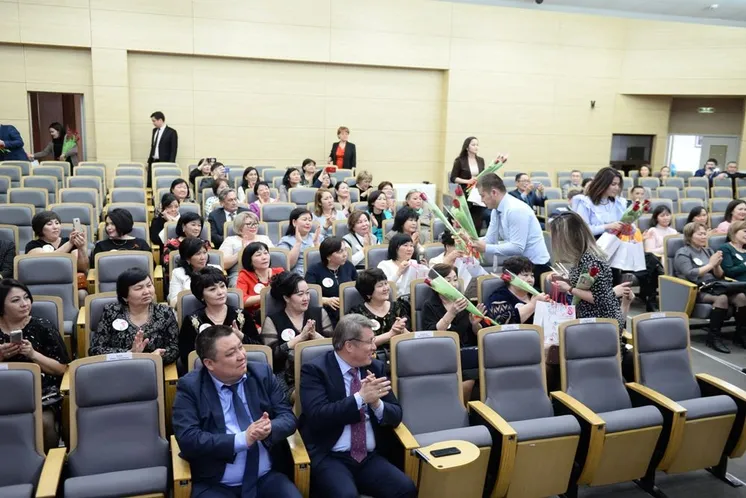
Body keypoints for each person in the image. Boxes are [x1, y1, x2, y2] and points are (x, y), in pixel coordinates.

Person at [172, 325, 301, 498]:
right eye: (230, 353)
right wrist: (242, 439)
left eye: (240, 347)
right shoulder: (190, 387)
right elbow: (188, 438)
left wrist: (269, 428)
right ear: (209, 363)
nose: (241, 356)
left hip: (266, 477)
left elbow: (288, 418)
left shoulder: (261, 373)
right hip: (216, 483)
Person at [298, 314, 417, 498]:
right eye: (369, 341)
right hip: (330, 455)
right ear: (349, 346)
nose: (374, 347)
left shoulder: (375, 368)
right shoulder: (315, 370)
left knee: (405, 488)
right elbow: (318, 415)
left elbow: (396, 414)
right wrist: (360, 398)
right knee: (346, 495)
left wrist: (376, 403)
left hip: (369, 456)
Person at [0, 279, 68, 451]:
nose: (25, 304)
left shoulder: (42, 326)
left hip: (40, 392)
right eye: (16, 300)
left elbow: (62, 368)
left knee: (44, 422)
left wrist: (33, 355)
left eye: (26, 297)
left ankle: (48, 463)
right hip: (4, 390)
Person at [549, 212, 630, 335]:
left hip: (600, 323)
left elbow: (600, 299)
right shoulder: (582, 257)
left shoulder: (591, 261)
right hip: (590, 319)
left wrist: (569, 289)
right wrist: (565, 279)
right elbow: (586, 285)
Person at [468, 173, 551, 287]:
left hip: (535, 269)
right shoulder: (496, 210)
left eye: (482, 196)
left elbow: (517, 247)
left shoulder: (515, 209)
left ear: (494, 192)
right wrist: (471, 241)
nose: (482, 200)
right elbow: (490, 239)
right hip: (520, 266)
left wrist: (485, 248)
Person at [674, 222, 746, 353]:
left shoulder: (708, 251)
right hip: (694, 288)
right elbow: (690, 274)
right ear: (690, 236)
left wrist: (717, 265)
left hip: (713, 285)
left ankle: (740, 334)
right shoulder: (683, 252)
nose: (704, 236)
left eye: (705, 233)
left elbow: (719, 275)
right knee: (722, 298)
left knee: (741, 297)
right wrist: (711, 264)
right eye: (700, 234)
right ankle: (713, 337)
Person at [261, 272, 332, 399]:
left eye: (308, 293)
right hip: (288, 378)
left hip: (322, 372)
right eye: (300, 294)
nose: (306, 298)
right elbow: (271, 357)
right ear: (286, 298)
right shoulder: (273, 320)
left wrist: (315, 336)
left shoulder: (319, 313)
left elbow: (334, 347)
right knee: (306, 396)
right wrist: (300, 338)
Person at [178, 267, 260, 373]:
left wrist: (241, 336)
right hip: (207, 372)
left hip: (241, 370)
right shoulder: (193, 320)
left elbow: (259, 349)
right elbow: (186, 358)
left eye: (222, 286)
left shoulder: (241, 315)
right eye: (212, 289)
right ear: (201, 295)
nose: (220, 292)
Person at [89, 267, 179, 363]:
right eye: (139, 288)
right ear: (125, 296)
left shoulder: (165, 312)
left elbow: (174, 348)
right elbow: (96, 349)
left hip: (153, 368)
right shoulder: (111, 312)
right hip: (118, 367)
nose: (147, 291)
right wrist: (129, 354)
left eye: (149, 285)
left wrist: (155, 357)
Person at [423, 264, 486, 401]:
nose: (453, 284)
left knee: (475, 374)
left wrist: (475, 324)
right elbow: (433, 335)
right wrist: (451, 312)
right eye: (448, 280)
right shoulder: (429, 305)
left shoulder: (464, 302)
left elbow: (476, 335)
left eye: (455, 279)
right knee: (466, 380)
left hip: (465, 352)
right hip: (441, 352)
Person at [350, 269, 410, 356]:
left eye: (386, 283)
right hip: (370, 357)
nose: (386, 288)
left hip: (401, 354)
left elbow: (411, 338)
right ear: (368, 293)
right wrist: (391, 334)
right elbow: (360, 344)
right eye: (380, 286)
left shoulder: (399, 307)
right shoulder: (357, 313)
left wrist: (402, 329)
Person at [305, 237, 358, 327]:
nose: (345, 254)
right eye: (340, 252)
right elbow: (308, 294)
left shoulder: (349, 266)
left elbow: (357, 287)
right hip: (325, 311)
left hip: (348, 310)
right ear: (328, 256)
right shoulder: (314, 270)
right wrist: (325, 300)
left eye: (345, 250)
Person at [485, 256, 550, 325]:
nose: (530, 280)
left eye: (532, 275)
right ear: (511, 277)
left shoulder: (537, 293)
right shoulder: (498, 297)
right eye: (525, 275)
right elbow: (503, 323)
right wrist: (532, 305)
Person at [220, 212, 273, 287]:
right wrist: (242, 251)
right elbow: (224, 264)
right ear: (240, 227)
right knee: (237, 285)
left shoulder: (264, 238)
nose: (253, 226)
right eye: (249, 224)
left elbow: (274, 258)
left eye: (255, 223)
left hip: (264, 273)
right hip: (239, 274)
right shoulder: (230, 240)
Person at [26, 211, 88, 275]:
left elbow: (82, 268)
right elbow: (48, 261)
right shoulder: (33, 245)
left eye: (57, 223)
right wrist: (70, 243)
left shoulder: (70, 241)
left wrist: (81, 248)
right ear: (39, 228)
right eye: (49, 224)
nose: (55, 227)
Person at [168, 237, 222, 307]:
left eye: (204, 252)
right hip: (189, 308)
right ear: (187, 258)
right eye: (198, 254)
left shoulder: (216, 269)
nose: (203, 257)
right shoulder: (178, 273)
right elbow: (173, 302)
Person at [236, 242, 285, 319]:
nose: (264, 257)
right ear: (250, 260)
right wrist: (267, 295)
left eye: (266, 253)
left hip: (279, 314)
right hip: (255, 318)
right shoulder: (245, 275)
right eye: (258, 255)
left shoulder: (279, 272)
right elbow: (242, 301)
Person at [641, 205, 676, 311]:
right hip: (655, 261)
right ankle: (652, 299)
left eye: (667, 215)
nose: (665, 218)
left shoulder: (673, 232)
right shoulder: (653, 231)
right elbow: (649, 251)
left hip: (670, 260)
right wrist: (666, 247)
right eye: (662, 215)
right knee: (655, 261)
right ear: (656, 218)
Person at [573, 166, 626, 237]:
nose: (617, 188)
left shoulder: (619, 202)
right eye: (613, 184)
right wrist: (607, 226)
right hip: (593, 241)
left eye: (618, 184)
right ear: (602, 184)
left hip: (616, 240)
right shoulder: (585, 203)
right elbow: (582, 230)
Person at [451, 136, 486, 232]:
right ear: (467, 147)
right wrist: (468, 181)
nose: (476, 147)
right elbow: (453, 178)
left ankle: (476, 237)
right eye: (473, 145)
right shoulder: (459, 161)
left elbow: (483, 174)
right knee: (466, 219)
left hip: (477, 191)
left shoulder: (481, 160)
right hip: (465, 191)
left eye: (477, 145)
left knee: (477, 219)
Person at [278, 208, 323, 276]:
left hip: (318, 274)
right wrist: (298, 243)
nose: (308, 223)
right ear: (294, 222)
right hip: (297, 277)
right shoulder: (285, 241)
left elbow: (326, 260)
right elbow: (287, 265)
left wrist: (316, 243)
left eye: (310, 220)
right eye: (304, 220)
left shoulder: (318, 237)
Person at [377, 233, 423, 299]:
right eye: (405, 245)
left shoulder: (414, 263)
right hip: (394, 300)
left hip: (414, 299)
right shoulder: (384, 265)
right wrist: (399, 272)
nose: (409, 249)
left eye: (411, 245)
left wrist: (425, 268)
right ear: (395, 248)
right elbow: (384, 287)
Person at [147, 111, 178, 187]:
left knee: (162, 183)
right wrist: (149, 161)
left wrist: (171, 165)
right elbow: (153, 146)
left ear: (160, 120)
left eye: (154, 121)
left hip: (164, 162)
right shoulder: (154, 131)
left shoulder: (172, 132)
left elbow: (173, 150)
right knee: (151, 183)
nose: (153, 123)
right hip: (153, 161)